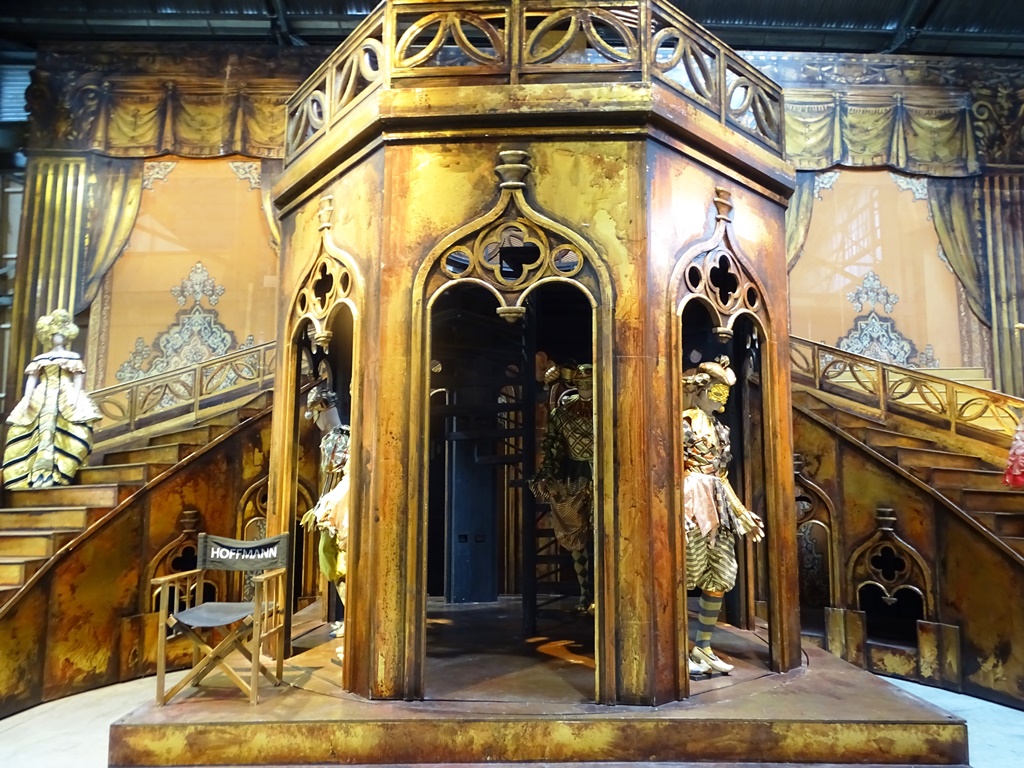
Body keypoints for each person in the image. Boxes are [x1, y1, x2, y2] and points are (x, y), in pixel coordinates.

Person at [681, 356, 764, 675]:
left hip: (717, 506)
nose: (723, 400)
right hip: (689, 505)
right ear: (701, 390)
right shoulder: (684, 423)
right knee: (682, 574)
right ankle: (676, 650)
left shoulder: (721, 429)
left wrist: (741, 512)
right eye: (717, 393)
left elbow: (722, 476)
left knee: (721, 574)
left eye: (725, 394)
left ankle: (702, 646)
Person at [3, 309, 101, 489]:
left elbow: (78, 379)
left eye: (62, 335)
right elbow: (31, 380)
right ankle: (33, 473)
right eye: (55, 334)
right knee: (35, 430)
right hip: (42, 394)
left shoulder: (72, 357)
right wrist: (26, 399)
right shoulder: (41, 358)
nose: (59, 338)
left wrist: (76, 397)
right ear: (49, 335)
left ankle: (58, 471)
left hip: (65, 393)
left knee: (68, 430)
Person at [531, 363, 595, 613]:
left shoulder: (608, 409)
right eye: (582, 382)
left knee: (604, 536)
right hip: (574, 475)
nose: (585, 386)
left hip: (604, 474)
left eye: (589, 382)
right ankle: (585, 592)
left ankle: (603, 592)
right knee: (575, 534)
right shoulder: (563, 412)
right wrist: (548, 471)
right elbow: (552, 444)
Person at [299, 382, 351, 641]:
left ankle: (352, 620)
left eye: (315, 415)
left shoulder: (339, 438)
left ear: (321, 411)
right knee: (334, 564)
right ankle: (350, 619)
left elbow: (339, 478)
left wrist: (325, 506)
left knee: (337, 564)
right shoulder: (339, 436)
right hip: (333, 507)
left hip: (339, 510)